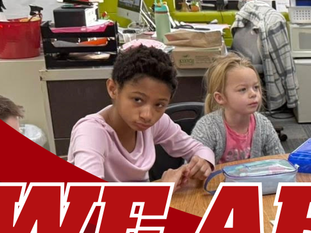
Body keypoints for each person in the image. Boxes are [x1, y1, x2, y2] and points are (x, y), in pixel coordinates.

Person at [67, 45, 215, 184]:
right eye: (137, 100)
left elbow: (199, 149)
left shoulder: (156, 123)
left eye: (159, 104)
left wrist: (203, 162)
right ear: (113, 89)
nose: (147, 115)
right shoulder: (91, 133)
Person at [191, 55, 284, 163]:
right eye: (243, 89)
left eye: (256, 87)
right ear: (220, 98)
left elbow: (280, 162)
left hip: (251, 179)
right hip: (218, 180)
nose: (253, 94)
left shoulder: (263, 125)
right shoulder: (207, 127)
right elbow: (192, 169)